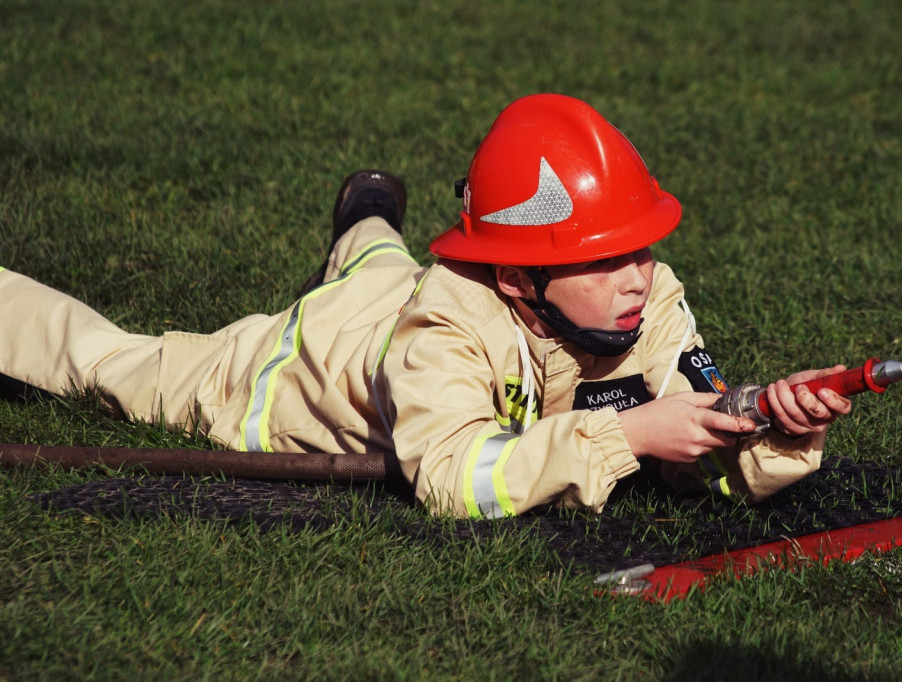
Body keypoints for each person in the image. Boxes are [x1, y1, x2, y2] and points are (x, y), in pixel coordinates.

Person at [0, 94, 851, 518]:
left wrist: (775, 426)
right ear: (520, 279)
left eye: (640, 247)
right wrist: (629, 433)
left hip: (390, 297)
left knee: (380, 263)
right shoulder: (449, 321)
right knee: (103, 361)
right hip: (281, 368)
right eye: (603, 258)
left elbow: (707, 460)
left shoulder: (646, 301)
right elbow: (450, 475)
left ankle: (366, 215)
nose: (638, 275)